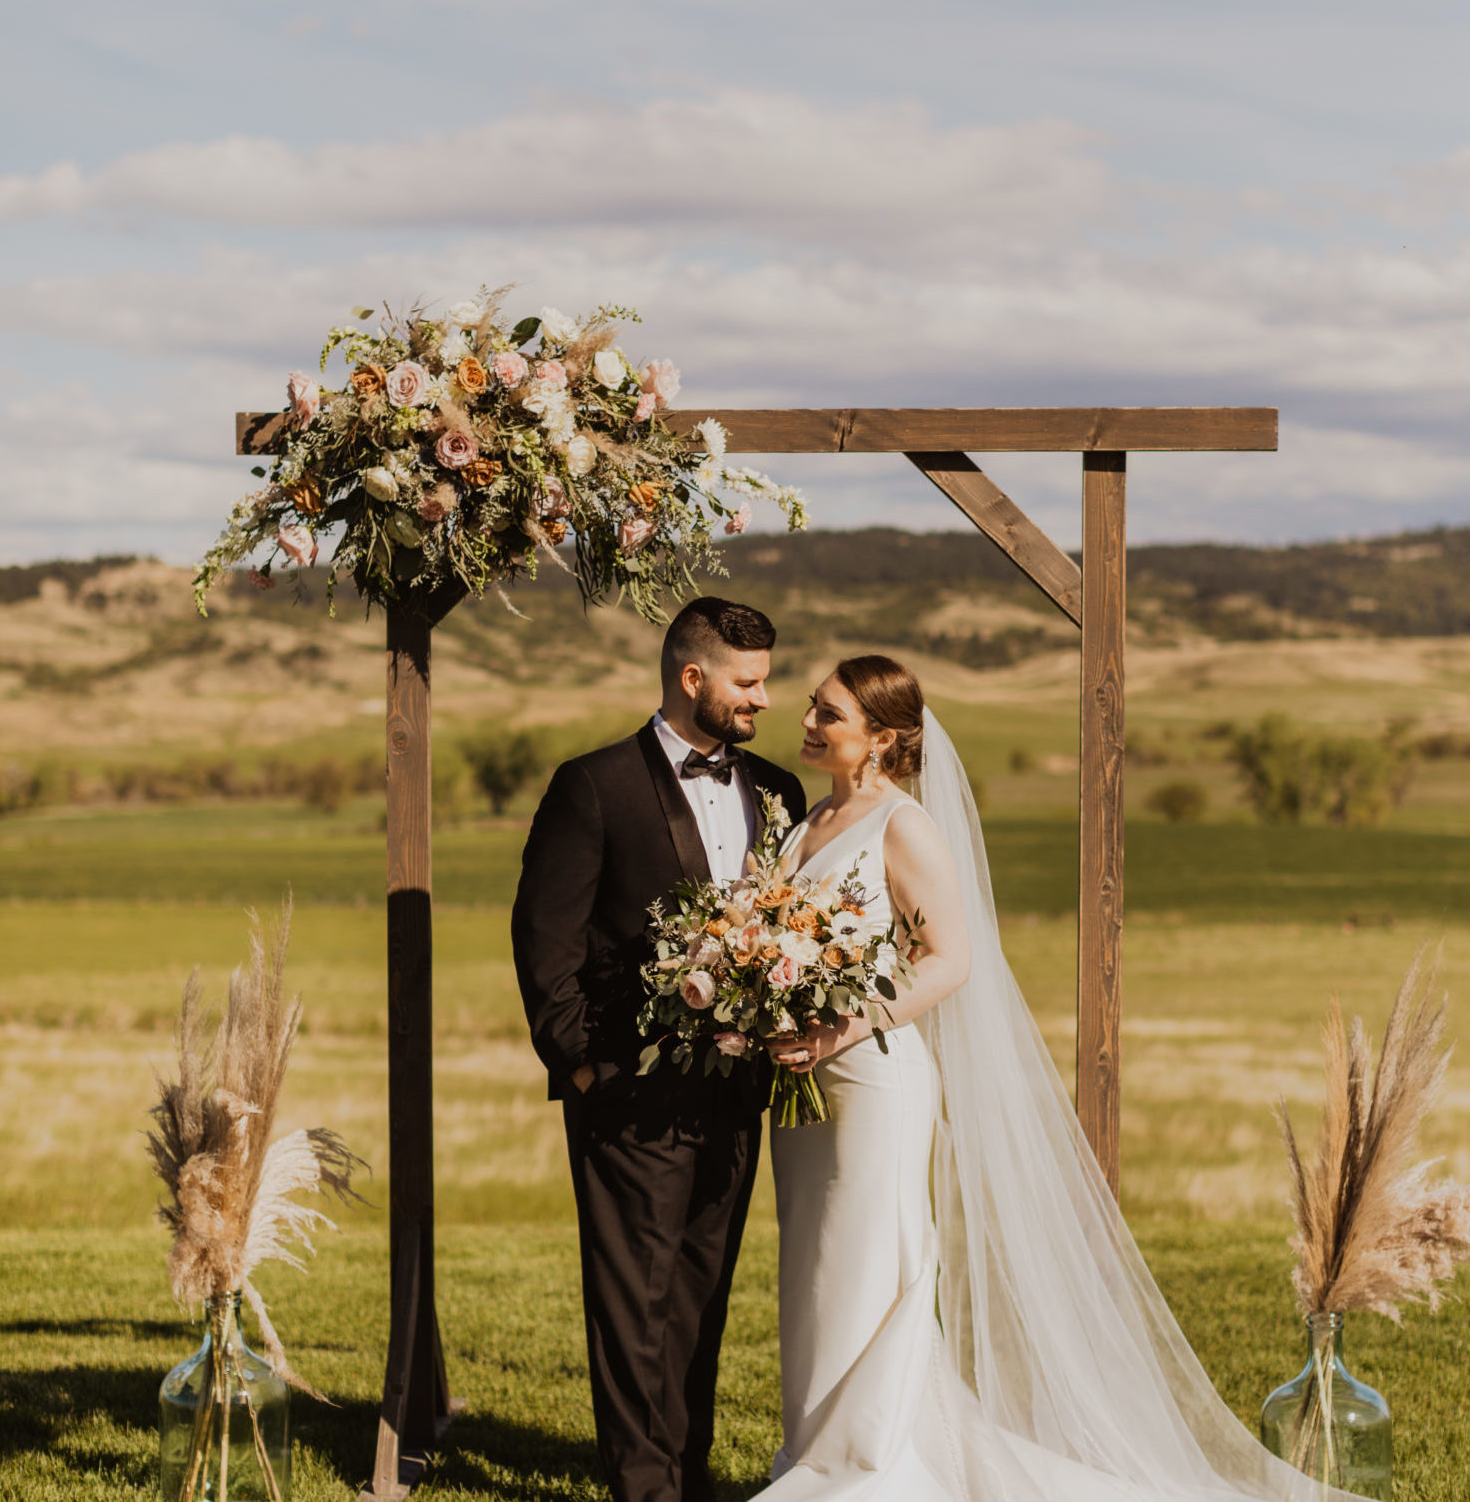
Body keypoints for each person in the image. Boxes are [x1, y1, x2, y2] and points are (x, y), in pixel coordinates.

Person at [761, 654, 1368, 1502]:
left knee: (867, 1266)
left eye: (826, 712)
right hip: (802, 1097)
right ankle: (817, 1448)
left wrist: (847, 1022)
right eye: (813, 706)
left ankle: (867, 1465)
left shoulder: (902, 828)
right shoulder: (804, 825)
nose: (808, 720)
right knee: (814, 1272)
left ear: (881, 738)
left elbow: (952, 959)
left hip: (872, 1085)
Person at [511, 596, 807, 1502]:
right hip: (627, 1088)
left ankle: (687, 1470)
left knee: (699, 1290)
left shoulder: (778, 793)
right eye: (746, 681)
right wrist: (583, 1063)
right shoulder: (592, 785)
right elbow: (543, 937)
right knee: (631, 1298)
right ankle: (643, 1488)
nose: (763, 698)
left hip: (735, 1089)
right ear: (693, 678)